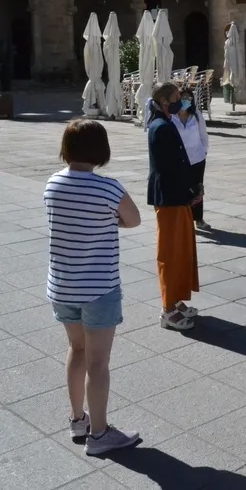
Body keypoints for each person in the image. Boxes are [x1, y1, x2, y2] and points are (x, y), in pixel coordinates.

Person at [46, 119, 142, 455]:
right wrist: (108, 219)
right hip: (99, 287)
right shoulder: (108, 188)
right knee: (98, 362)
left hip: (63, 285)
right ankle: (100, 436)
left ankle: (77, 419)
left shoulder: (52, 184)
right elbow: (133, 219)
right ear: (101, 151)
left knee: (77, 350)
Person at [147, 82, 201, 331]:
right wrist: (189, 191)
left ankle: (176, 299)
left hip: (177, 197)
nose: (182, 100)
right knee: (170, 254)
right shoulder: (160, 128)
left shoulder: (166, 124)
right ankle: (167, 310)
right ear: (165, 102)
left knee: (181, 252)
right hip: (170, 199)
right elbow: (168, 170)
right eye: (177, 97)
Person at [171, 88, 211, 230]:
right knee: (181, 189)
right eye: (183, 97)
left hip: (197, 158)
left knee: (197, 189)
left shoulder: (196, 115)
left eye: (189, 98)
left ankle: (199, 219)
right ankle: (183, 219)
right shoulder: (171, 116)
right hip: (179, 160)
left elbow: (203, 135)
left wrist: (204, 152)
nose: (186, 100)